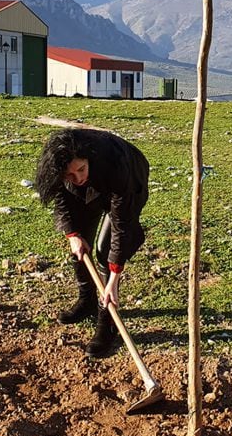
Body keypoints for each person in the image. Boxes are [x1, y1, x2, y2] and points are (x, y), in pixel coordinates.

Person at [34, 127, 150, 357]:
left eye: (81, 169)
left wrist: (114, 279)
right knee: (81, 244)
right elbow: (61, 198)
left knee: (104, 249)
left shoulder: (116, 165)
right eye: (70, 175)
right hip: (93, 186)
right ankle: (87, 300)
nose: (78, 178)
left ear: (88, 159)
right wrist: (72, 235)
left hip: (128, 183)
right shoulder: (61, 167)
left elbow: (121, 224)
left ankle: (107, 322)